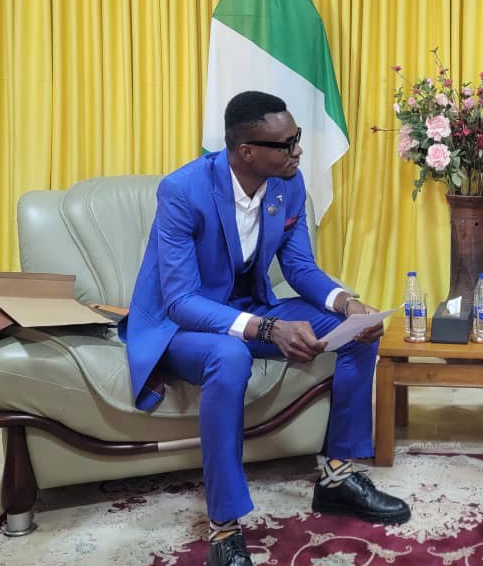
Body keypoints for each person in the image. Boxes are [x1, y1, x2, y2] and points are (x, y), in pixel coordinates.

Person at [121, 91, 410, 566]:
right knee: (229, 355)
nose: (298, 150)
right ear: (246, 151)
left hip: (251, 310)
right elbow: (180, 300)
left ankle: (337, 476)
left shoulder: (287, 184)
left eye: (297, 138)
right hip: (181, 327)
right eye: (287, 143)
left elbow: (299, 267)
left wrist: (346, 301)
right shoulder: (183, 191)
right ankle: (224, 528)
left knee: (358, 329)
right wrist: (268, 329)